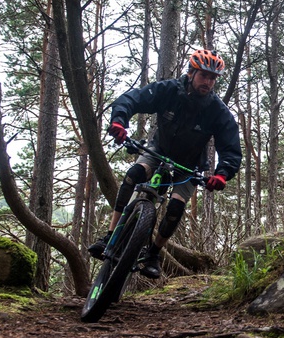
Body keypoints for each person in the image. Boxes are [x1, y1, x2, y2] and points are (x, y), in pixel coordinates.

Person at [88, 48, 242, 278]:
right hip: (159, 149)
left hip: (190, 166)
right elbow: (132, 99)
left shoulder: (217, 111)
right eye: (204, 75)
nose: (208, 82)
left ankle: (153, 253)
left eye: (213, 78)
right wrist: (120, 121)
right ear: (191, 73)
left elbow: (230, 147)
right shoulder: (168, 90)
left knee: (177, 205)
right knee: (133, 175)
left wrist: (222, 173)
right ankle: (110, 235)